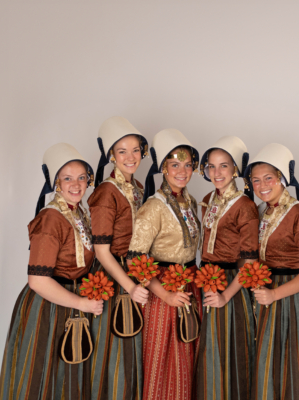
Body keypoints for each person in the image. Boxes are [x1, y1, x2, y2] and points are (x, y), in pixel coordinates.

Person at [0, 143, 103, 400]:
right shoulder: (51, 218)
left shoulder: (78, 212)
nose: (76, 185)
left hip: (73, 302)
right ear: (56, 182)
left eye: (81, 178)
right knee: (42, 377)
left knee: (68, 380)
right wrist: (81, 303)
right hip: (48, 308)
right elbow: (38, 281)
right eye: (67, 178)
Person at [244, 143, 299, 400]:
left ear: (282, 178)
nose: (261, 185)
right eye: (256, 180)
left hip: (291, 301)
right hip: (262, 295)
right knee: (265, 365)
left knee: (291, 367)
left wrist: (274, 294)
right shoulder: (261, 211)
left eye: (268, 178)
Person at [127, 129, 202, 400]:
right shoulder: (153, 206)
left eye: (187, 165)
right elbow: (134, 259)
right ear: (163, 168)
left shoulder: (191, 202)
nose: (182, 171)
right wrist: (166, 295)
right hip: (162, 293)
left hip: (190, 285)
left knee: (188, 359)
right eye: (174, 165)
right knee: (163, 361)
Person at [87, 116, 149, 400]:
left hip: (136, 274)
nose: (130, 157)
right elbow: (102, 251)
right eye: (122, 151)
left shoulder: (137, 187)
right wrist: (130, 287)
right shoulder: (106, 193)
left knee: (134, 356)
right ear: (111, 155)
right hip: (114, 278)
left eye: (135, 150)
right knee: (114, 358)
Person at [194, 136, 259, 400]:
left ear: (235, 169)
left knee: (229, 352)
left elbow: (250, 263)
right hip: (205, 279)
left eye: (224, 166)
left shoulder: (245, 206)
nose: (216, 172)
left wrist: (225, 296)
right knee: (207, 352)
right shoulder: (208, 198)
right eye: (211, 166)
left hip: (231, 284)